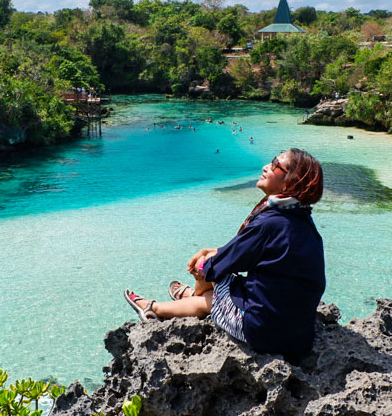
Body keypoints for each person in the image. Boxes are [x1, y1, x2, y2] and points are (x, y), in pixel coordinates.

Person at [125, 149, 326, 359]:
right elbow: (245, 253)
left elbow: (217, 266)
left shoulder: (270, 223)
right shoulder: (301, 220)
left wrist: (204, 261)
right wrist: (214, 253)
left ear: (290, 183)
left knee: (208, 266)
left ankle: (163, 305)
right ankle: (173, 305)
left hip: (262, 333)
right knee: (214, 272)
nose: (265, 167)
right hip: (299, 337)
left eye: (275, 164)